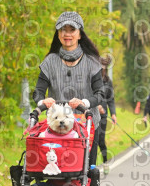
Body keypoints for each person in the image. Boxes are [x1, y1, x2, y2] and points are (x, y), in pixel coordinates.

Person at [32, 11, 105, 170]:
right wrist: (42, 101)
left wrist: (84, 102)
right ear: (58, 34)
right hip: (56, 127)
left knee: (86, 171)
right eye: (63, 30)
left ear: (80, 34)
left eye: (72, 30)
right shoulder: (49, 62)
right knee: (55, 169)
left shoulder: (92, 62)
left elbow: (100, 94)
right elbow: (38, 91)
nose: (67, 34)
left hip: (87, 125)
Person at [97, 56, 116, 174]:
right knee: (91, 140)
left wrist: (113, 113)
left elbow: (111, 99)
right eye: (101, 66)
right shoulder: (91, 79)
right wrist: (96, 105)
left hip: (103, 115)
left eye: (104, 66)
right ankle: (90, 166)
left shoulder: (108, 82)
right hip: (89, 114)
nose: (102, 68)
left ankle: (105, 162)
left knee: (101, 140)